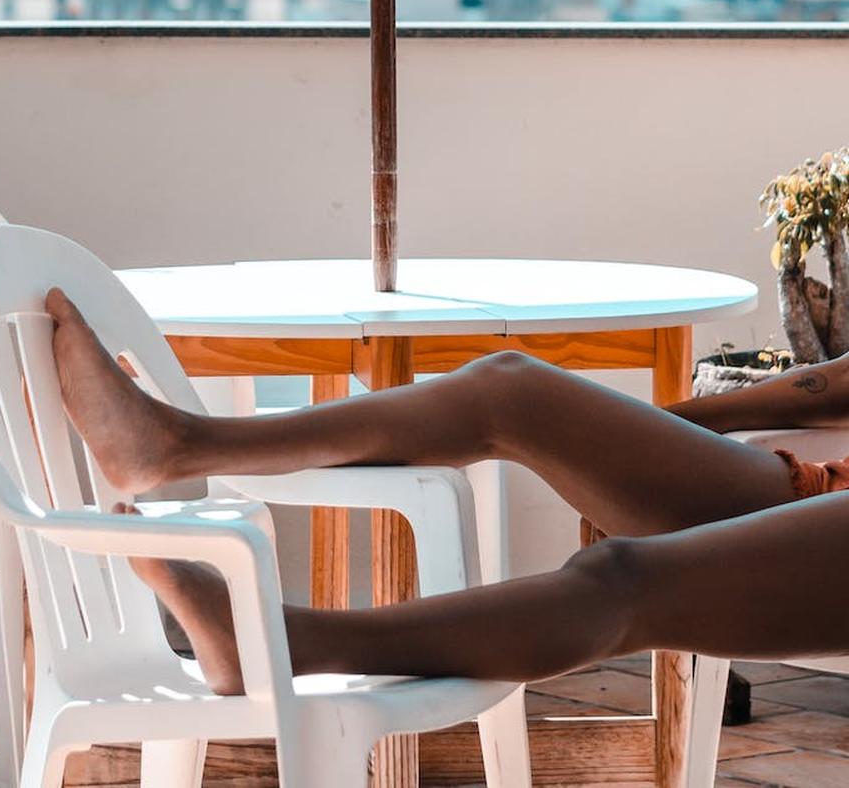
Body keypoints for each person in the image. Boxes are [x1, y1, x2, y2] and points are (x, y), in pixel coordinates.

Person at [47, 288, 849, 696]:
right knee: (514, 390)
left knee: (626, 581)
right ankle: (177, 445)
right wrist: (666, 427)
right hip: (801, 485)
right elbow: (829, 386)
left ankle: (275, 645)